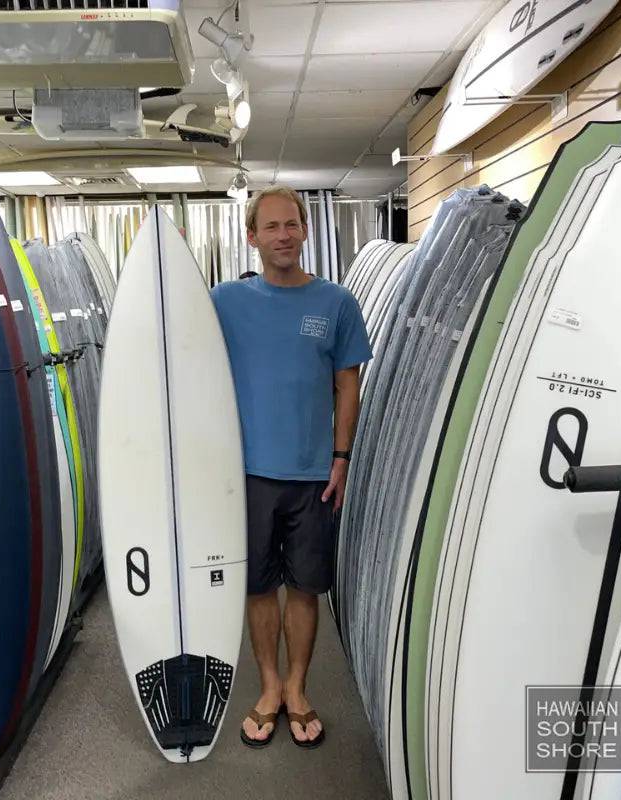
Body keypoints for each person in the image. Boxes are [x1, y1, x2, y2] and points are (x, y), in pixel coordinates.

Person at [210, 186, 372, 749]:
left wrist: (342, 458)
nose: (283, 235)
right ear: (251, 237)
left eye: (292, 225)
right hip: (248, 475)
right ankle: (270, 687)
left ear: (305, 230)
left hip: (313, 475)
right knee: (258, 588)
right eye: (271, 226)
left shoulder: (336, 303)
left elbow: (347, 386)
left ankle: (298, 688)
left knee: (304, 589)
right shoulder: (225, 301)